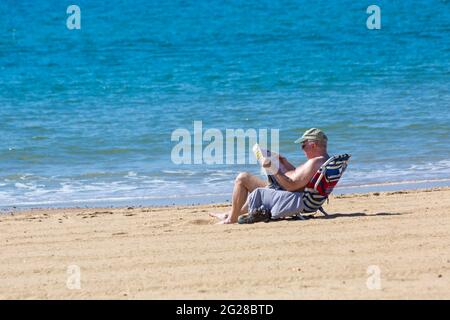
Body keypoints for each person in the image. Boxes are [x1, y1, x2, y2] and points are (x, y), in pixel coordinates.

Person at [210, 128, 330, 224]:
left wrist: (273, 168)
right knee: (249, 179)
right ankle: (230, 214)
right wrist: (285, 163)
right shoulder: (323, 161)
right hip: (290, 192)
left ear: (313, 145)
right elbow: (300, 179)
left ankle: (231, 218)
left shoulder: (314, 162)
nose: (301, 148)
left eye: (303, 145)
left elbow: (291, 186)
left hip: (290, 196)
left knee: (243, 178)